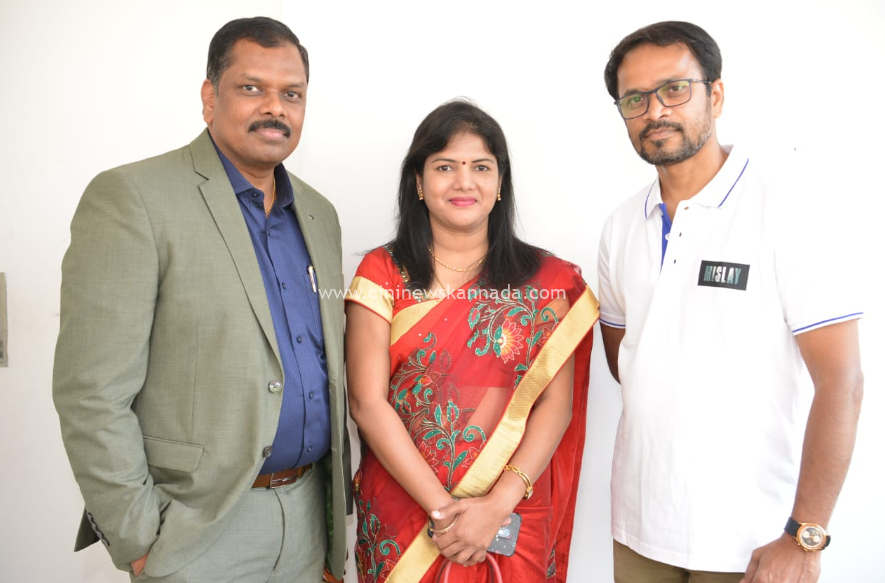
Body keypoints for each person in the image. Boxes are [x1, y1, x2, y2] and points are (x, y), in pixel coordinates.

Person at [52, 17, 350, 583]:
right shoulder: (133, 198)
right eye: (251, 87)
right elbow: (91, 392)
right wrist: (139, 537)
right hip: (197, 529)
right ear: (210, 97)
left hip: (310, 519)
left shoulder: (319, 214)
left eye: (292, 94)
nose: (275, 107)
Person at [598, 20, 864, 583]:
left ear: (715, 94)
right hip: (640, 527)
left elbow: (841, 380)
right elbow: (629, 362)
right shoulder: (620, 226)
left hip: (756, 540)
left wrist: (806, 535)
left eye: (674, 89)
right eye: (634, 99)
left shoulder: (788, 205)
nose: (655, 111)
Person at [345, 100, 598, 583]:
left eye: (480, 167)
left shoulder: (546, 280)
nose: (464, 182)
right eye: (445, 167)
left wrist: (497, 506)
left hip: (511, 515)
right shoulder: (382, 273)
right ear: (418, 182)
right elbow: (366, 403)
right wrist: (445, 513)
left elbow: (555, 405)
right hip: (406, 514)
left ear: (500, 183)